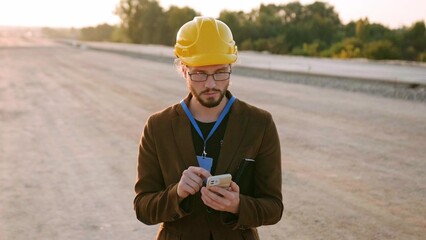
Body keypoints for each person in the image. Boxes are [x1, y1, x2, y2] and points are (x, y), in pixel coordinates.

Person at [134, 16, 283, 240]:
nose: (211, 84)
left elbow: (273, 208)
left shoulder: (259, 123)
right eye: (200, 73)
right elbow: (143, 208)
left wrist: (238, 206)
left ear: (230, 67)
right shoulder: (158, 126)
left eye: (220, 72)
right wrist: (177, 193)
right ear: (184, 70)